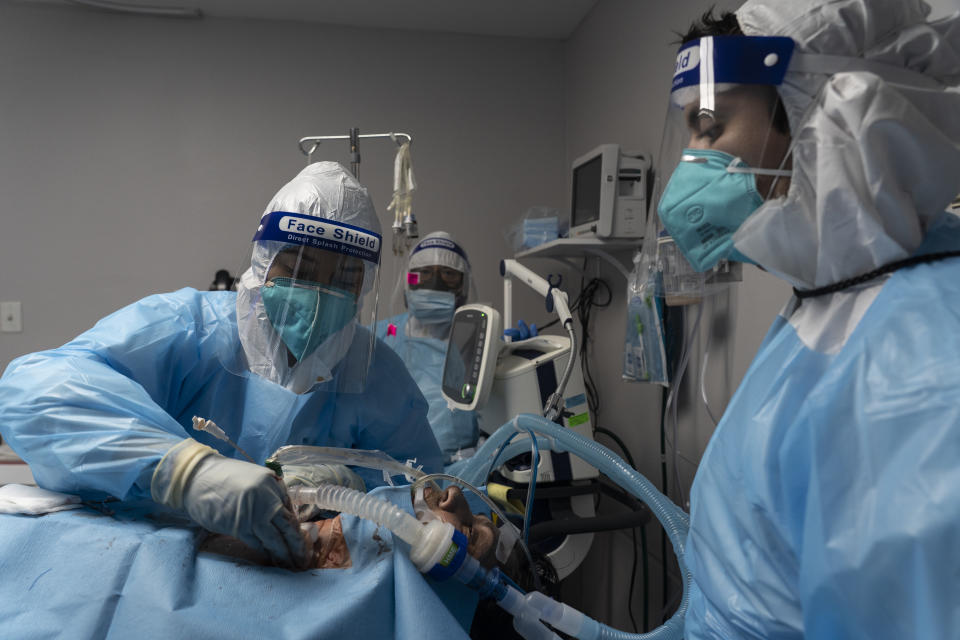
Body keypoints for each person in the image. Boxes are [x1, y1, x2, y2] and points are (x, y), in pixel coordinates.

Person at [654, 1, 960, 637]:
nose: (690, 162)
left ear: (825, 111)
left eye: (708, 124)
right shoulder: (828, 305)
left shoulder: (924, 366)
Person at [0, 162, 443, 570]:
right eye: (298, 268)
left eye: (343, 280)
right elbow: (32, 392)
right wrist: (187, 473)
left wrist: (353, 487)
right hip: (151, 568)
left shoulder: (379, 379)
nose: (318, 292)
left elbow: (429, 499)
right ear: (264, 260)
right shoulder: (188, 329)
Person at [376, 231, 479, 464]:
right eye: (423, 273)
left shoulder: (477, 339)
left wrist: (519, 355)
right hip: (388, 468)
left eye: (449, 274)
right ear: (407, 280)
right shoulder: (384, 333)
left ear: (464, 285)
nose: (435, 283)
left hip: (459, 470)